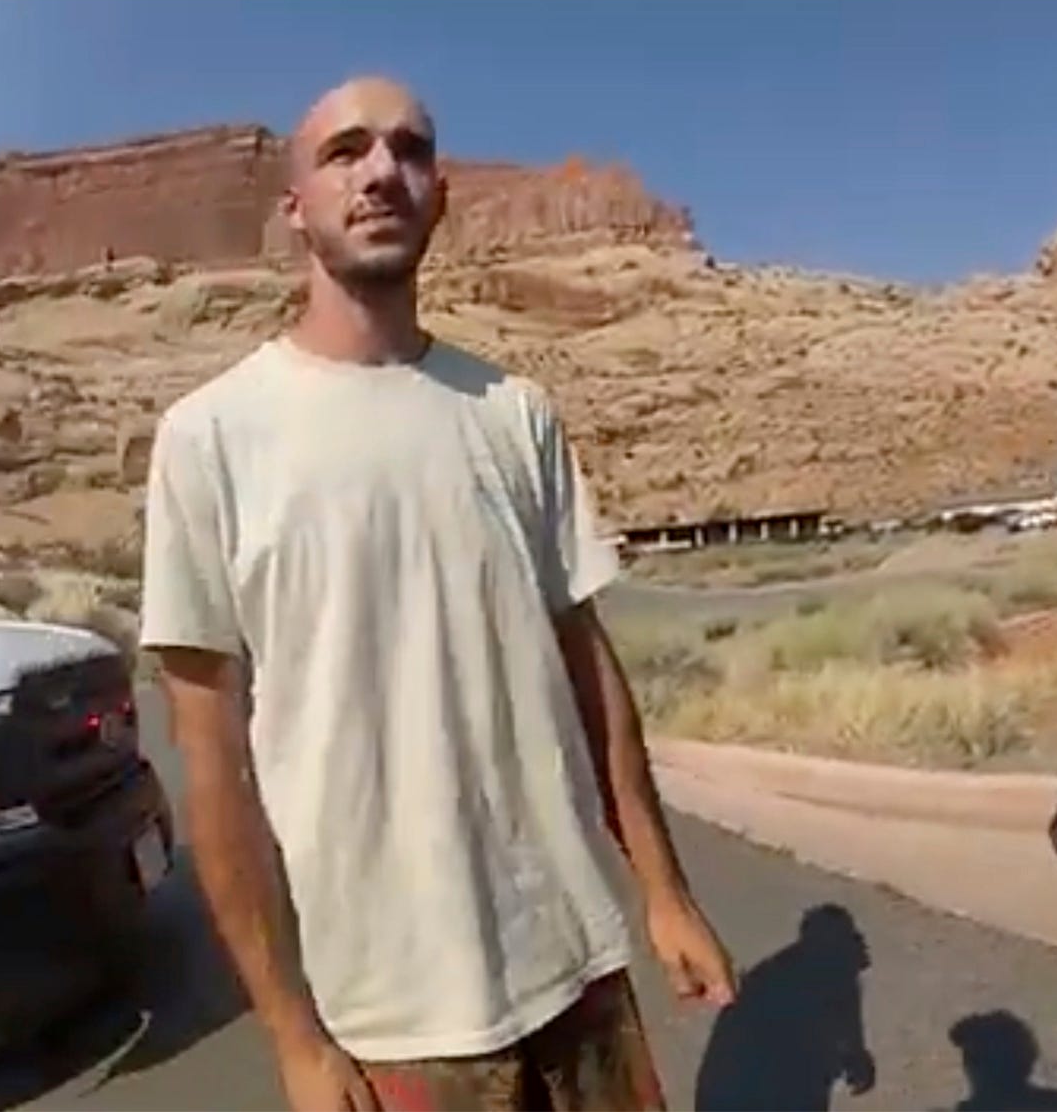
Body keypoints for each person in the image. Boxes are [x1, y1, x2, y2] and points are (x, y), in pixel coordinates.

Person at [139, 75, 737, 1112]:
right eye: (346, 152)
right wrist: (293, 1038)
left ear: (440, 193)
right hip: (389, 1022)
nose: (382, 173)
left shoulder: (514, 414)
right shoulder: (212, 439)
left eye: (410, 151)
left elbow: (588, 670)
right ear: (295, 207)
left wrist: (664, 893)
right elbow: (217, 777)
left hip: (577, 973)